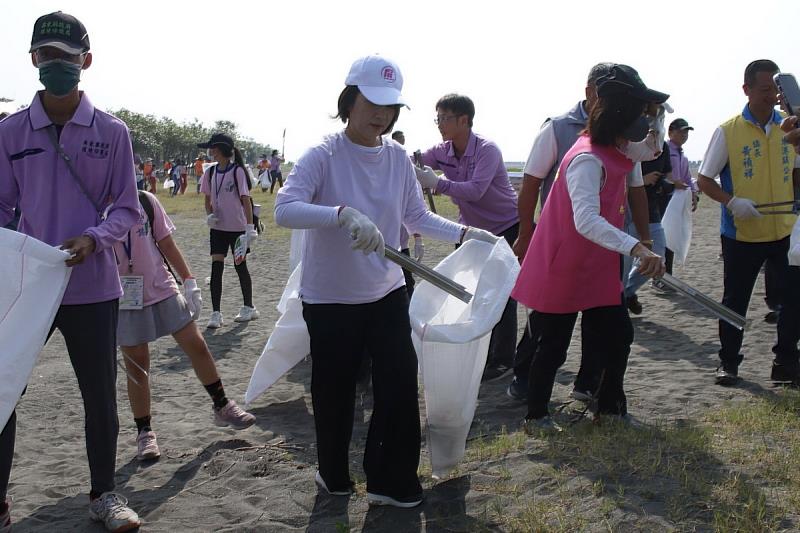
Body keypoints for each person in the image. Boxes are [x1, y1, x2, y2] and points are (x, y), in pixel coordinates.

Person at [274, 54, 497, 508]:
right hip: (330, 298)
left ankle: (391, 483)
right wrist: (340, 214)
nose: (381, 114)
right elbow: (284, 209)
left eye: (390, 106)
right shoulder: (323, 154)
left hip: (387, 291)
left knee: (397, 381)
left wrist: (466, 233)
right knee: (334, 391)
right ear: (349, 100)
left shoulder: (396, 156)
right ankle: (333, 477)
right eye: (372, 102)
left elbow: (415, 216)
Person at [0, 11, 141, 530]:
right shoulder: (11, 132)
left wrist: (96, 238)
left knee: (99, 395)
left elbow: (127, 207)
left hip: (92, 284)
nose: (54, 65)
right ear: (32, 61)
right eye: (45, 56)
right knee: (4, 387)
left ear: (86, 61)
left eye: (64, 56)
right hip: (27, 289)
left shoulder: (113, 132)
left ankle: (105, 494)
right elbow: (2, 207)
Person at [511, 64, 668, 431]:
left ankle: (610, 407)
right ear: (618, 114)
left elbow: (652, 150)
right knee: (552, 344)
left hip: (598, 263)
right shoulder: (587, 157)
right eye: (638, 112)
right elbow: (585, 220)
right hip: (565, 263)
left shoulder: (620, 149)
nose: (642, 123)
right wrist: (638, 248)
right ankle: (536, 416)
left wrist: (657, 117)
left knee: (618, 336)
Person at [117, 190, 255, 461]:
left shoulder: (143, 199)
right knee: (137, 364)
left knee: (197, 345)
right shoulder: (92, 204)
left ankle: (222, 404)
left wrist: (189, 281)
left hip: (161, 286)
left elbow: (166, 244)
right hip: (123, 295)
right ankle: (145, 433)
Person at [697, 59, 800, 386]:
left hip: (784, 231)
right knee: (735, 301)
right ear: (747, 90)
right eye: (765, 89)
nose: (772, 96)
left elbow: (796, 174)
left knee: (792, 300)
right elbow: (704, 179)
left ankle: (784, 362)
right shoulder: (727, 131)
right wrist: (732, 202)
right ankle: (728, 362)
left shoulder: (790, 126)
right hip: (741, 233)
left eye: (776, 90)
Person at [415, 93, 519, 381]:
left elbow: (475, 191)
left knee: (502, 293)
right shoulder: (442, 150)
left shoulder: (487, 150)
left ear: (465, 120)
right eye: (437, 118)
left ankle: (503, 359)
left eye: (445, 118)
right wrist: (409, 164)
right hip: (470, 230)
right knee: (475, 291)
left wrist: (437, 183)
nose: (440, 124)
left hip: (505, 226)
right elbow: (416, 159)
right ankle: (484, 348)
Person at [199, 133, 260, 328]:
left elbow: (245, 200)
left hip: (237, 229)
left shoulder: (238, 171)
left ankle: (248, 307)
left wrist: (250, 228)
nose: (210, 151)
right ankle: (216, 313)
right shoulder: (210, 172)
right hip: (218, 228)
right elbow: (207, 199)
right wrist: (209, 215)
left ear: (221, 149)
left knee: (240, 266)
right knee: (216, 268)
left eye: (213, 148)